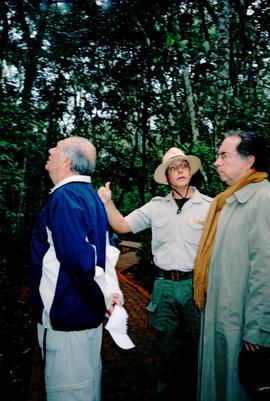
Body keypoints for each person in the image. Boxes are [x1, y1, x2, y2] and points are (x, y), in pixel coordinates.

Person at [98, 147, 212, 401]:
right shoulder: (156, 206)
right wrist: (107, 203)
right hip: (164, 286)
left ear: (190, 171)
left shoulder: (210, 206)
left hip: (198, 286)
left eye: (184, 165)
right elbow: (123, 225)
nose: (180, 170)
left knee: (198, 352)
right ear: (167, 176)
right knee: (168, 351)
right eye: (174, 167)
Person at [29, 136, 123, 401]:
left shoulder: (65, 197)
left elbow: (79, 260)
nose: (50, 150)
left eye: (56, 148)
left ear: (67, 160)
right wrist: (111, 295)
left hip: (68, 319)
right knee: (87, 386)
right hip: (85, 319)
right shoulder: (90, 197)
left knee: (69, 392)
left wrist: (105, 300)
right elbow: (107, 252)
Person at [193, 130, 270, 401]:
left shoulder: (263, 199)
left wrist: (258, 328)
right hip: (221, 316)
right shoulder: (227, 201)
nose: (216, 161)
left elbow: (266, 269)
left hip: (241, 326)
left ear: (249, 161)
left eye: (224, 155)